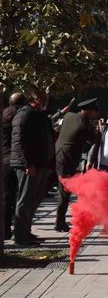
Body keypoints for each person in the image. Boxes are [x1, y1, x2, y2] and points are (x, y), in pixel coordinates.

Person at [11, 91, 56, 246]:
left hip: (40, 164)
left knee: (32, 201)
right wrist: (28, 164)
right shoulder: (25, 114)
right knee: (24, 201)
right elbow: (19, 141)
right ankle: (20, 237)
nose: (45, 101)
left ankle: (26, 233)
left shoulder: (38, 114)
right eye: (42, 98)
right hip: (29, 166)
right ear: (32, 99)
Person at [54, 98, 100, 232]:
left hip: (58, 154)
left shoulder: (69, 115)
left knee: (61, 189)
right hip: (68, 159)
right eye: (95, 111)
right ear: (90, 111)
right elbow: (95, 140)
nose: (96, 114)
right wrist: (98, 131)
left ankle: (60, 220)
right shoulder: (85, 125)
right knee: (64, 191)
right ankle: (59, 222)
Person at [3, 93, 27, 240]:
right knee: (17, 197)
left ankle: (6, 229)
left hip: (5, 158)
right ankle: (15, 230)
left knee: (7, 196)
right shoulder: (19, 115)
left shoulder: (4, 113)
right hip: (13, 159)